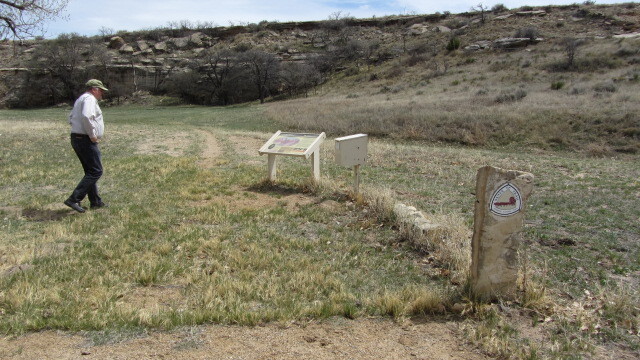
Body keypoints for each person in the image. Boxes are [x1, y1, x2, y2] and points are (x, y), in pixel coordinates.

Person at [64, 79, 109, 213]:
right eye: (100, 90)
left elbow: (70, 117)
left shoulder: (81, 99)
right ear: (94, 89)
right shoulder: (89, 99)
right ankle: (74, 198)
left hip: (78, 137)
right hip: (85, 139)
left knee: (90, 171)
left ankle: (95, 202)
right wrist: (92, 135)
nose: (102, 93)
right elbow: (86, 116)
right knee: (96, 171)